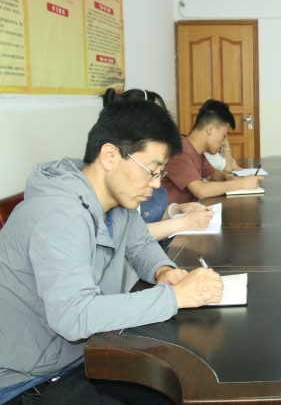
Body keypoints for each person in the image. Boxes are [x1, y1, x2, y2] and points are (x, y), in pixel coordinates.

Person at [0, 101, 224, 405]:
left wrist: (162, 270)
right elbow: (73, 316)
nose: (155, 184)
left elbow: (140, 244)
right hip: (23, 380)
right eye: (151, 171)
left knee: (178, 390)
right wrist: (174, 298)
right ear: (109, 156)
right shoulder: (61, 214)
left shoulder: (116, 200)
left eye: (160, 173)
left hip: (77, 356)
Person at [101, 88, 214, 243]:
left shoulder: (145, 175)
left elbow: (150, 214)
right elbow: (129, 236)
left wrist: (176, 210)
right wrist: (183, 223)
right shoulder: (122, 183)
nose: (156, 183)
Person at [162, 99, 263, 203]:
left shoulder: (195, 150)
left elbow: (212, 174)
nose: (224, 142)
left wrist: (227, 177)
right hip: (170, 212)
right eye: (224, 136)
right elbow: (201, 191)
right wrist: (241, 183)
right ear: (210, 129)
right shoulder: (180, 149)